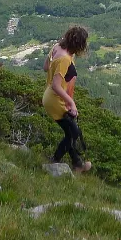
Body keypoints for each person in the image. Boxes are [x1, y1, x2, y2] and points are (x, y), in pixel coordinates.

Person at [42, 25, 92, 173]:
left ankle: (78, 164)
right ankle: (55, 161)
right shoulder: (65, 59)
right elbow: (57, 86)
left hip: (49, 97)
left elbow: (45, 67)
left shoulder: (57, 47)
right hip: (57, 100)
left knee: (71, 132)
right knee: (73, 133)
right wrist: (71, 103)